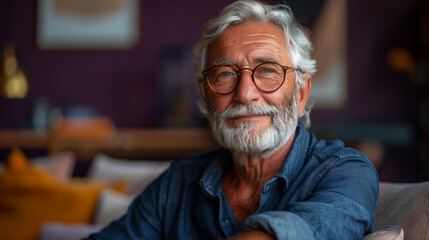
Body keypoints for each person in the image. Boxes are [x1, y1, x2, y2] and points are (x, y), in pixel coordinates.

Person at [85, 0, 379, 239]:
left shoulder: (346, 172)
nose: (245, 93)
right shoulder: (177, 183)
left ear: (301, 93)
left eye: (267, 70)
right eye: (225, 74)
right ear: (204, 95)